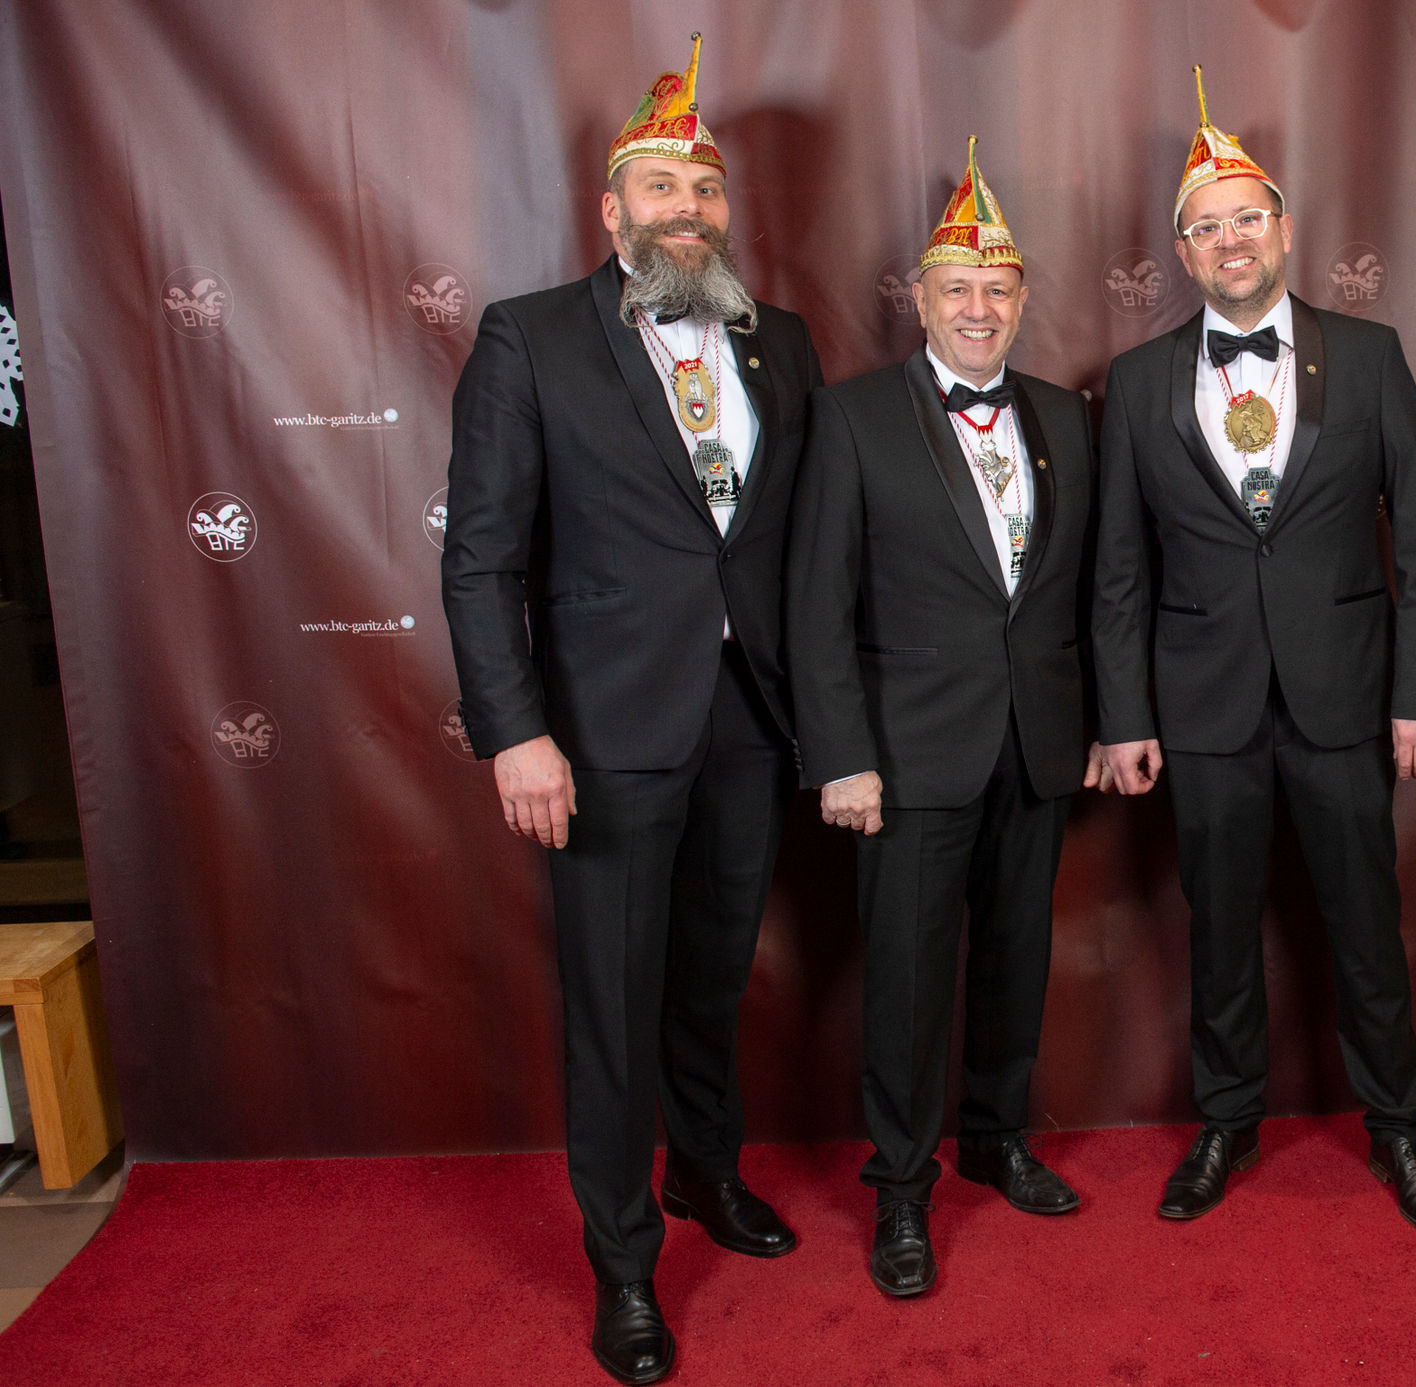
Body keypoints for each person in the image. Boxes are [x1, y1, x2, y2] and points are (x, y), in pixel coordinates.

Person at [441, 35, 821, 1384]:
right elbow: (481, 556)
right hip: (601, 737)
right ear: (611, 210)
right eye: (662, 188)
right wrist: (515, 730)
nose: (687, 209)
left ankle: (705, 1175)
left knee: (713, 978)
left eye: (706, 190)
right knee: (613, 1002)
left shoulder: (779, 341)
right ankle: (623, 1265)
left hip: (749, 721)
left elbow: (801, 548)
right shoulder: (531, 335)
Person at [1091, 70, 1416, 1238]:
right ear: (1183, 253)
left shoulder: (1369, 354)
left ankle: (1399, 1128)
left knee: (1365, 924)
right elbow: (1117, 566)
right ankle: (1227, 1120)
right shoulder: (1139, 381)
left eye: (1247, 216)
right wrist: (1122, 714)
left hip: (1345, 695)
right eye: (1207, 226)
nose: (1231, 239)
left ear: (1285, 230)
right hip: (1202, 707)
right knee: (1218, 929)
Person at [786, 138, 1097, 1298]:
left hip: (1037, 742)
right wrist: (841, 756)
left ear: (1021, 302)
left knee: (1017, 958)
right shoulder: (853, 417)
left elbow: (1092, 590)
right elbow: (816, 602)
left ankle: (997, 1139)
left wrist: (1100, 723)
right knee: (910, 980)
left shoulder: (1066, 417)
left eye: (998, 289)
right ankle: (903, 1190)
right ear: (919, 300)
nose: (978, 308)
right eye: (958, 289)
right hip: (906, 754)